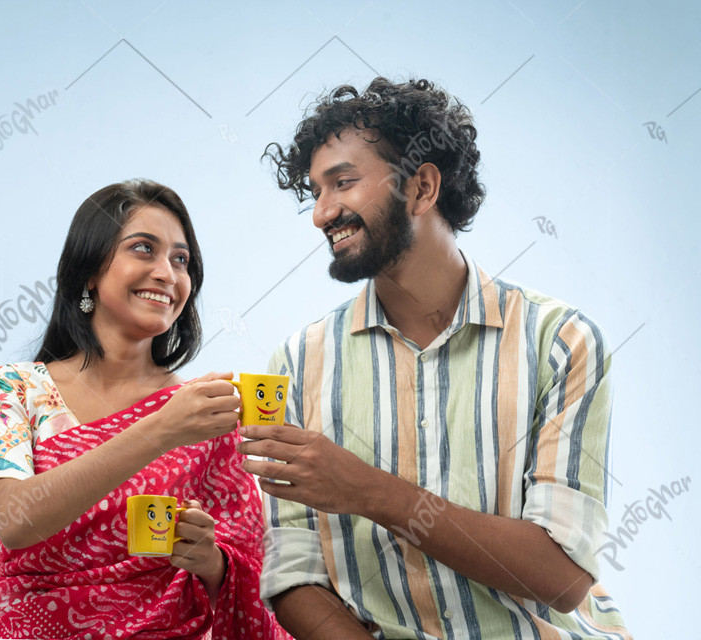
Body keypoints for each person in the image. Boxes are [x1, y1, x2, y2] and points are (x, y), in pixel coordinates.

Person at [238, 78, 631, 639]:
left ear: (421, 187)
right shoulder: (296, 366)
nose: (321, 214)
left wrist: (367, 490)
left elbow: (562, 576)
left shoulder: (560, 342)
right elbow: (294, 576)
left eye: (342, 183)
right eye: (315, 193)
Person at [0, 179, 287, 639]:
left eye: (181, 259)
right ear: (89, 271)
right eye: (143, 249)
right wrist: (160, 430)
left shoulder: (204, 413)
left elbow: (255, 588)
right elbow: (13, 521)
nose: (167, 273)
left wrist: (211, 562)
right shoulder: (12, 392)